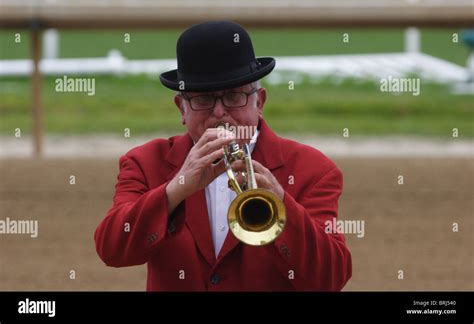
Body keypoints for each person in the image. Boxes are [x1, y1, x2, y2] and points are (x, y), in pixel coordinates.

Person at [94, 21, 351, 291]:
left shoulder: (314, 170)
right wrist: (174, 190)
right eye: (203, 99)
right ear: (182, 108)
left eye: (233, 96)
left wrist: (283, 205)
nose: (218, 113)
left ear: (259, 102)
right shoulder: (145, 162)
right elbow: (112, 250)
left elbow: (331, 277)